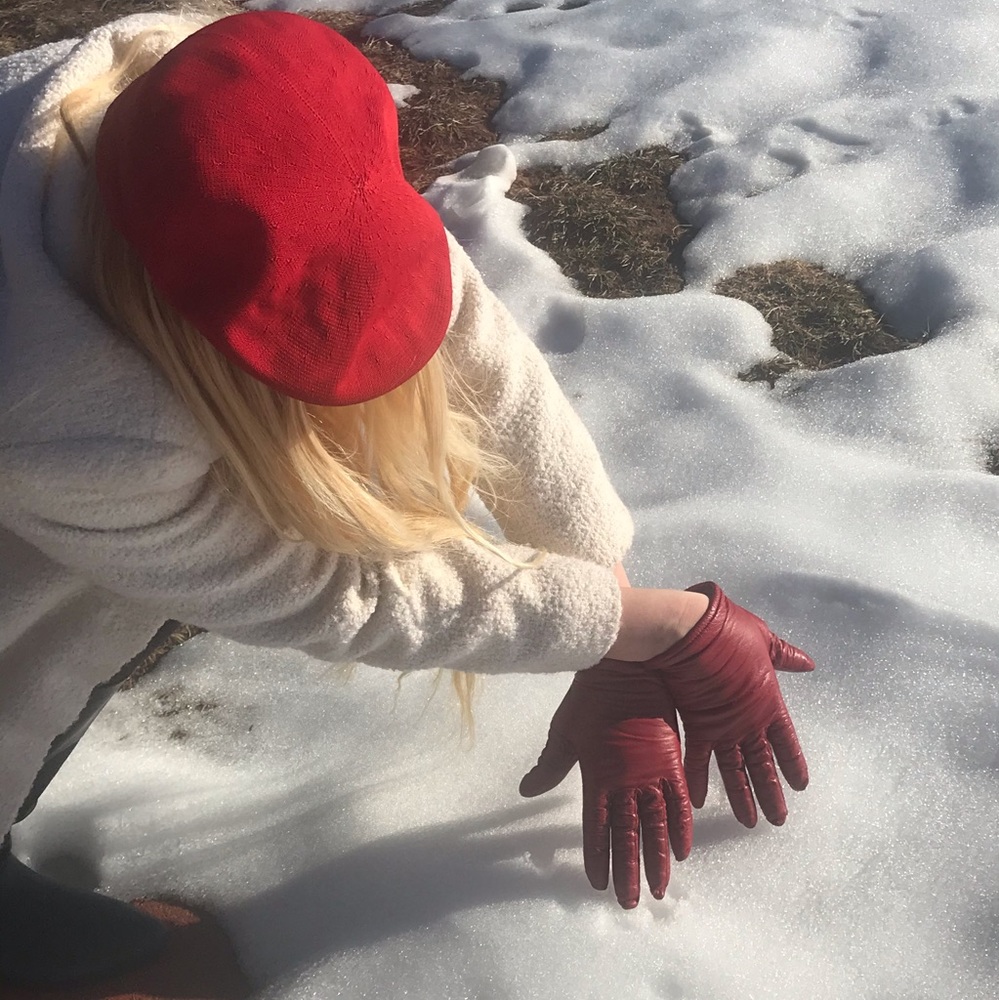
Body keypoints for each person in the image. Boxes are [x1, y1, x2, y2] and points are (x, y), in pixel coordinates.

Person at [0, 6, 814, 988]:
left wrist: (606, 594)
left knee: (69, 641)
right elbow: (327, 586)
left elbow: (463, 330)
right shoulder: (69, 430)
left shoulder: (190, 114)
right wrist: (638, 624)